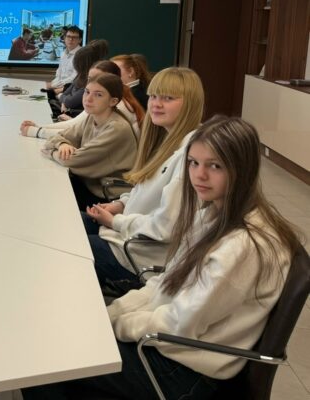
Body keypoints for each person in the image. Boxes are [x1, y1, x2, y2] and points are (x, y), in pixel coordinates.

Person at [24, 116, 302, 400]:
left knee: (48, 360)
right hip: (175, 346)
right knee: (62, 342)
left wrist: (116, 326)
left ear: (243, 169)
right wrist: (113, 314)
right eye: (193, 163)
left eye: (215, 166)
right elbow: (166, 282)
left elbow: (181, 324)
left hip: (185, 370)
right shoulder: (213, 213)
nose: (199, 175)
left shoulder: (242, 246)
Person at [81, 67, 205, 287]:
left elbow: (166, 226)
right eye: (154, 96)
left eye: (168, 98)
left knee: (69, 246)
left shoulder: (193, 155)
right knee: (70, 225)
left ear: (190, 103)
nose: (156, 104)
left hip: (137, 257)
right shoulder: (167, 141)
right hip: (126, 235)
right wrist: (120, 204)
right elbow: (146, 190)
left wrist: (115, 221)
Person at [42, 73, 139, 209]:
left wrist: (50, 152)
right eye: (87, 92)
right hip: (88, 184)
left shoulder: (116, 128)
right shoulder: (93, 116)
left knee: (50, 196)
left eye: (98, 95)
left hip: (106, 195)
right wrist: (62, 144)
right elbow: (57, 137)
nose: (88, 99)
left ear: (113, 101)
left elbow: (71, 160)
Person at [20, 60, 145, 139]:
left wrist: (37, 131)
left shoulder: (117, 105)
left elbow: (78, 135)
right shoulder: (107, 98)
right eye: (90, 79)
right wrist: (39, 127)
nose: (91, 83)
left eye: (98, 78)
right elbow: (75, 126)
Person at [55, 44, 100, 119]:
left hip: (74, 116)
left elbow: (70, 102)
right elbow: (66, 93)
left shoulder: (90, 81)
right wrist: (64, 102)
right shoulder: (80, 75)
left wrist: (61, 98)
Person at [47, 25, 82, 94]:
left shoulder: (81, 55)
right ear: (64, 38)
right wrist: (52, 84)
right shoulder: (63, 53)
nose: (71, 39)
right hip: (59, 87)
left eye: (74, 37)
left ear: (80, 40)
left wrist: (54, 86)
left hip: (70, 91)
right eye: (68, 36)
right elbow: (59, 74)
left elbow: (75, 79)